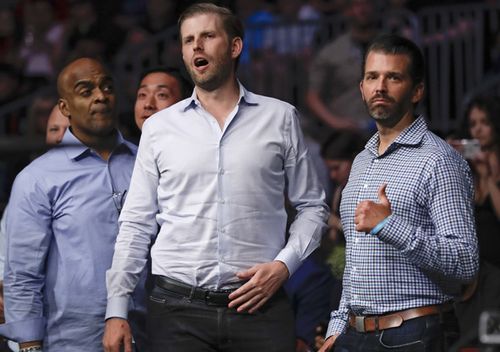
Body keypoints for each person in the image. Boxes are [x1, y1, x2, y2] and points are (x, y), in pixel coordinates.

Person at [103, 3, 329, 352]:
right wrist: (116, 309)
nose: (196, 46)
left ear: (235, 47)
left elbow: (312, 206)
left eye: (207, 36)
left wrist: (285, 266)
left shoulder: (280, 117)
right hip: (176, 309)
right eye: (188, 39)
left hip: (261, 308)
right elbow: (136, 222)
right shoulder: (160, 128)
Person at [319, 34, 479, 352]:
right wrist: (337, 328)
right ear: (361, 88)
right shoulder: (362, 160)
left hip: (416, 331)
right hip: (355, 333)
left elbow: (466, 261)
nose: (380, 86)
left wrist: (388, 225)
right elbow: (355, 261)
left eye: (393, 77)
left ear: (416, 90)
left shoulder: (439, 160)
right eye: (372, 77)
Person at [0, 57, 144, 352]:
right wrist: (29, 347)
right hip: (71, 340)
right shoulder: (38, 178)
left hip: (150, 331)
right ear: (64, 108)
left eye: (107, 87)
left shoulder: (146, 162)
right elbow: (23, 274)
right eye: (86, 90)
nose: (100, 96)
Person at [450, 95, 500, 350]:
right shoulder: (466, 165)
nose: (478, 129)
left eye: (485, 122)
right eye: (473, 123)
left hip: (498, 267)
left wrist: (488, 178)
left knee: (492, 338)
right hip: (473, 270)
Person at [306, 0, 378, 141]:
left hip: (386, 130)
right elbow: (312, 97)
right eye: (357, 5)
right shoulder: (331, 53)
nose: (362, 10)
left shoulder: (392, 46)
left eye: (366, 4)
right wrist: (335, 123)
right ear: (347, 12)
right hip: (347, 135)